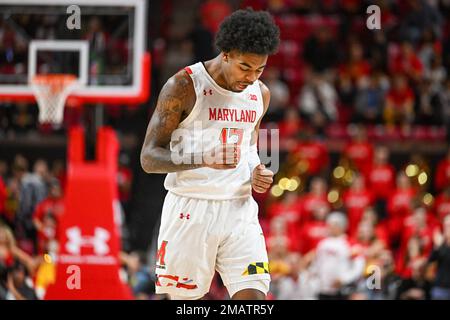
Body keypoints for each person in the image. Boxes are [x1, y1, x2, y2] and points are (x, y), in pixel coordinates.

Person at [140, 9, 280, 300]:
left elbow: (250, 147)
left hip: (239, 208)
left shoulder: (260, 94)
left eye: (260, 69)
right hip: (190, 207)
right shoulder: (184, 85)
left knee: (253, 297)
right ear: (226, 54)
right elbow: (149, 158)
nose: (252, 77)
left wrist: (257, 170)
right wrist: (204, 158)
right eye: (245, 67)